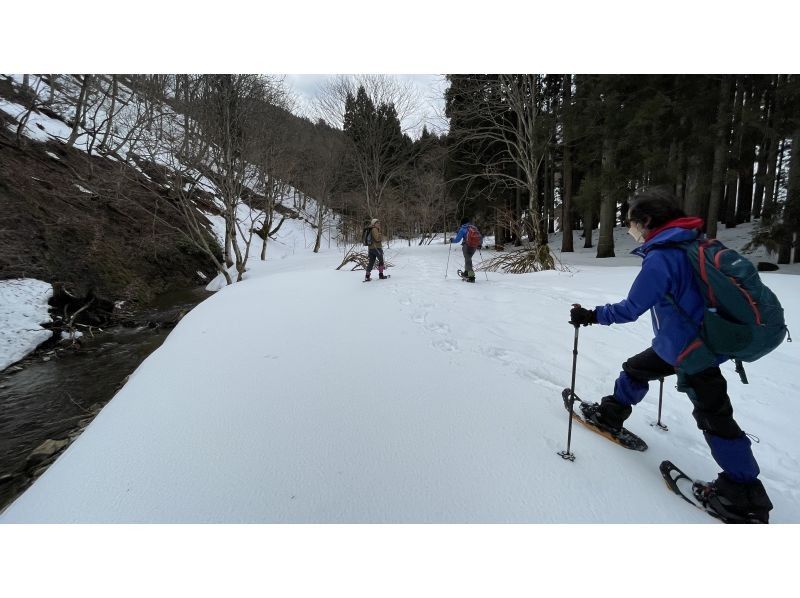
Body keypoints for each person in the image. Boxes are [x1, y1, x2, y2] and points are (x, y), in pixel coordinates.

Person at [569, 188, 773, 523]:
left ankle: (744, 492)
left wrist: (591, 315)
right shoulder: (691, 243)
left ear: (648, 221)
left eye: (634, 223)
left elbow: (631, 308)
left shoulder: (663, 256)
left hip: (689, 351)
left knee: (714, 416)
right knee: (636, 369)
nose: (632, 229)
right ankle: (611, 414)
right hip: (690, 343)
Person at [450, 217, 481, 282]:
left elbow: (457, 240)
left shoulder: (462, 229)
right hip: (474, 247)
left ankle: (471, 276)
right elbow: (479, 236)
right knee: (468, 259)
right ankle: (467, 273)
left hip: (467, 246)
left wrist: (452, 240)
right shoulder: (474, 228)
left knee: (468, 260)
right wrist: (479, 244)